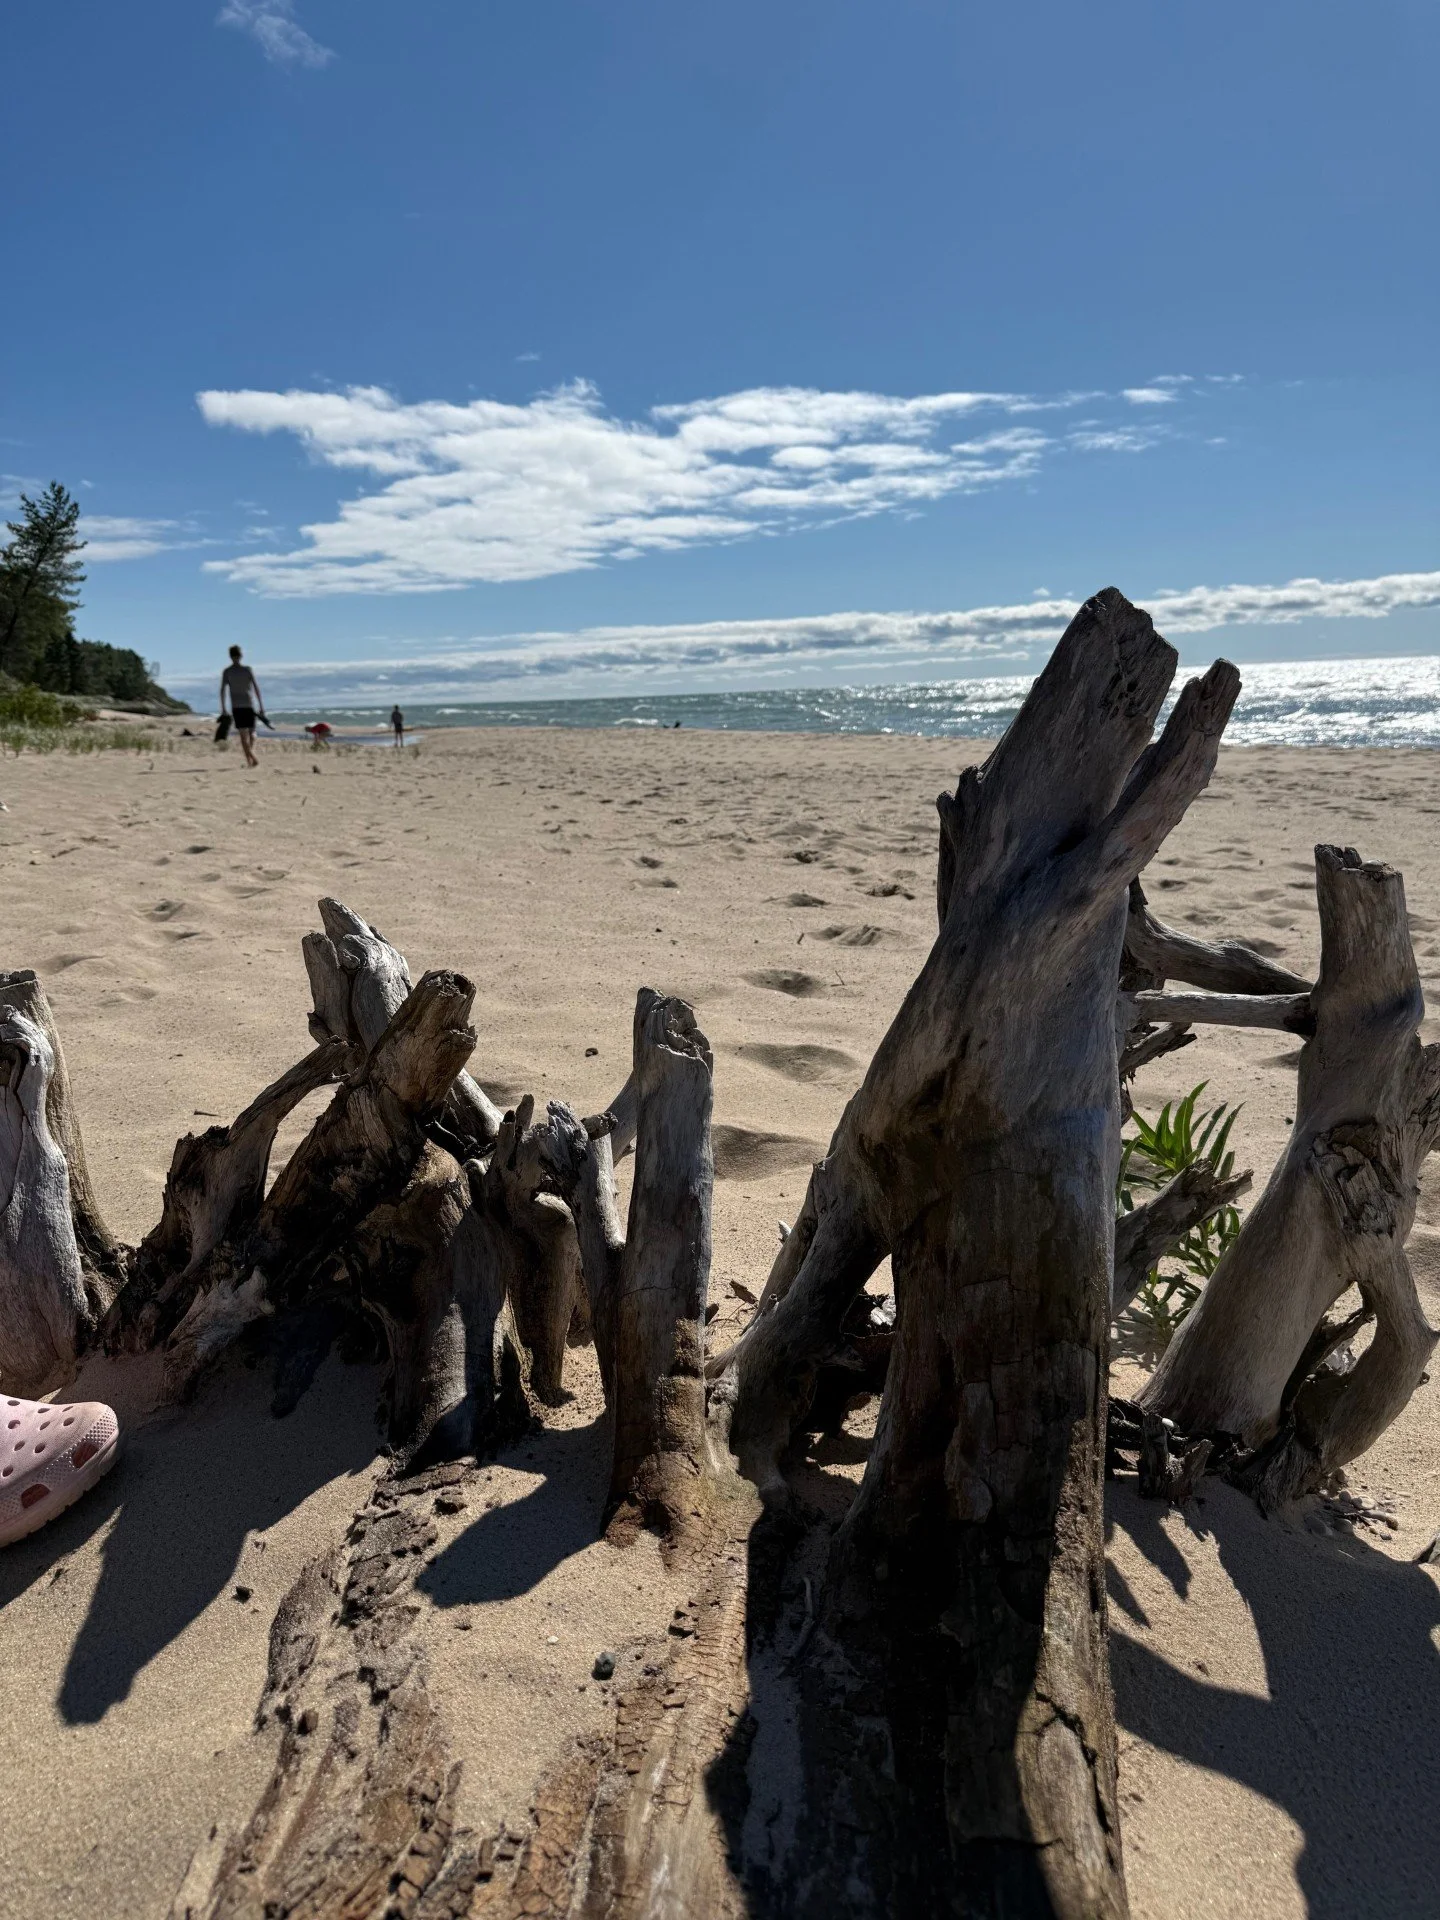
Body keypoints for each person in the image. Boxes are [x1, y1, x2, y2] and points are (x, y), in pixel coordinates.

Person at [220, 645, 265, 768]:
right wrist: (261, 705)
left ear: (230, 656)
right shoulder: (247, 669)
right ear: (241, 655)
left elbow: (222, 690)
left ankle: (251, 760)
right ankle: (252, 758)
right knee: (252, 733)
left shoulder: (227, 672)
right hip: (249, 704)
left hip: (237, 706)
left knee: (243, 736)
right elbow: (256, 689)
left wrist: (223, 708)